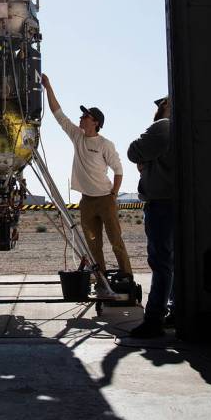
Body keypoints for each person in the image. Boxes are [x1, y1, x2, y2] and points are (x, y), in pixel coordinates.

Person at [41, 74, 133, 291]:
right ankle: (101, 281)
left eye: (86, 116)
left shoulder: (104, 144)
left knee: (116, 241)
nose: (81, 118)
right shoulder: (77, 136)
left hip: (105, 200)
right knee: (94, 245)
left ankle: (127, 278)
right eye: (82, 116)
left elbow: (119, 170)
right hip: (87, 202)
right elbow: (58, 113)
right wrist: (48, 87)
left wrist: (113, 194)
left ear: (96, 123)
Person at [127, 96, 173, 338]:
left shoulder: (163, 127)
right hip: (173, 203)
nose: (157, 109)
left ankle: (154, 318)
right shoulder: (178, 129)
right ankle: (174, 310)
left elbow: (133, 151)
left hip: (161, 204)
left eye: (161, 104)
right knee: (172, 262)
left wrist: (145, 158)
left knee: (161, 262)